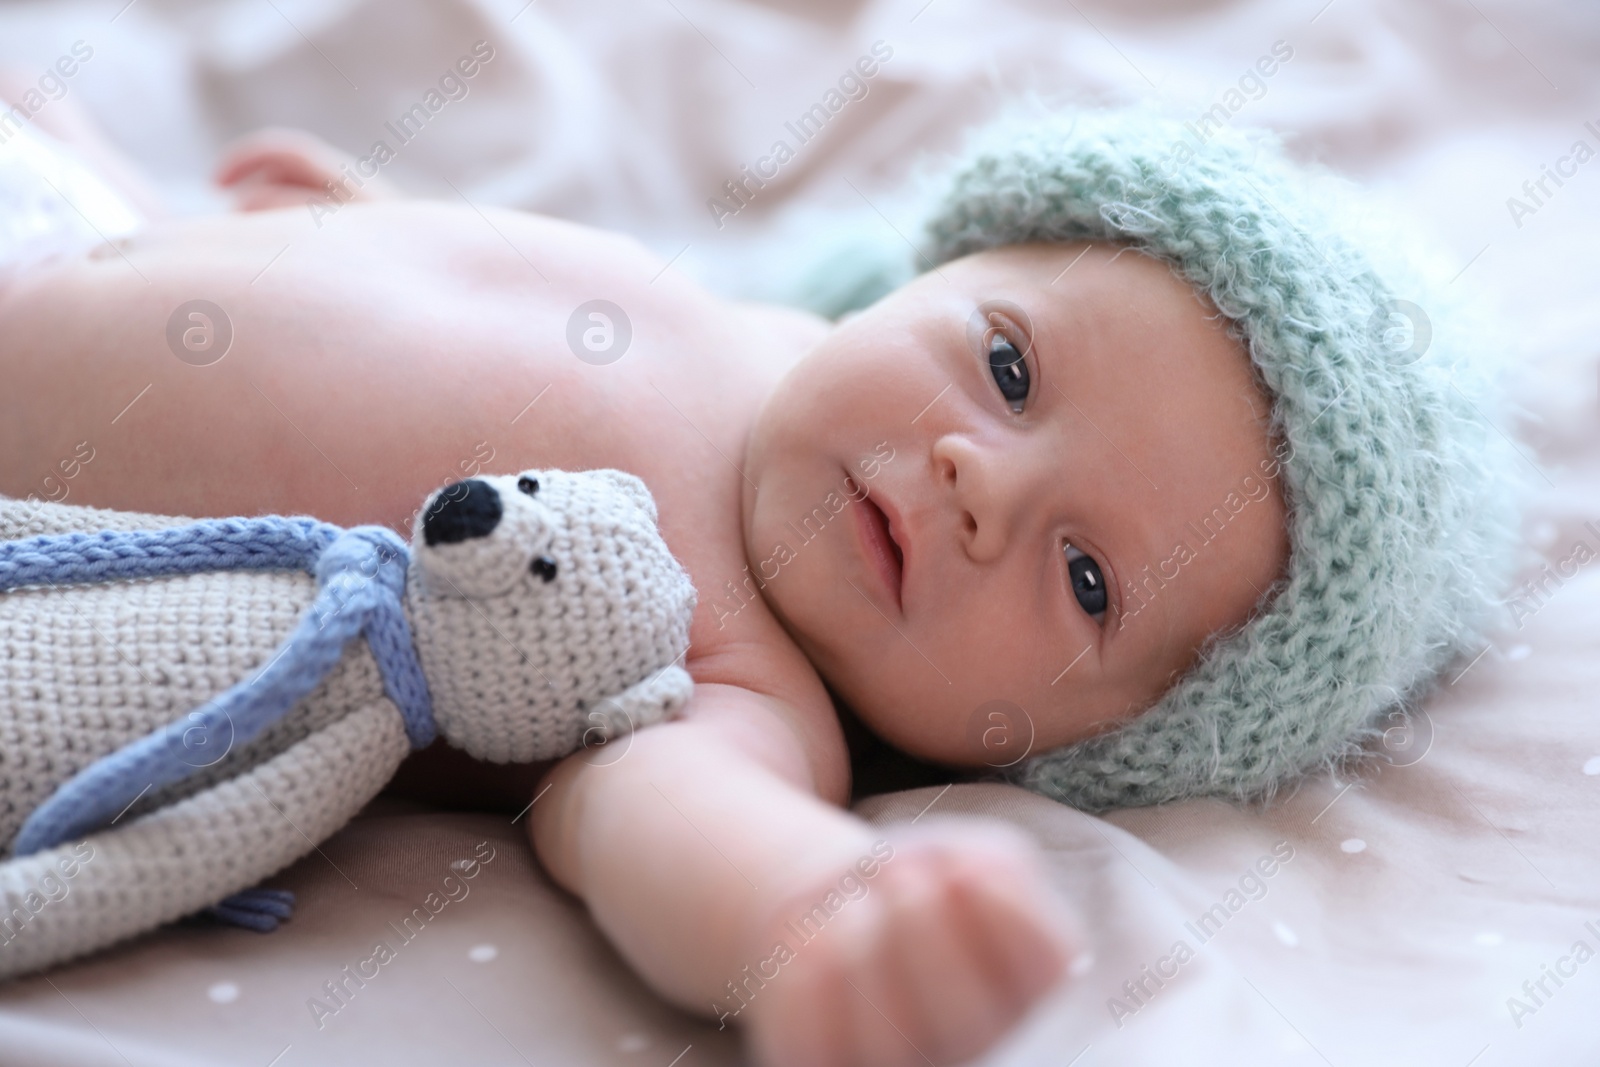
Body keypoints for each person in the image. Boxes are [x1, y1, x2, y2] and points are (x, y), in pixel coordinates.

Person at [0, 81, 1516, 1066]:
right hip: (79, 225)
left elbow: (663, 828)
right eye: (1006, 364)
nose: (979, 482)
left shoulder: (726, 673)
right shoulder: (760, 337)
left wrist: (809, 913)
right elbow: (492, 302)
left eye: (1090, 581)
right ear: (943, 269)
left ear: (1088, 745)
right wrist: (332, 226)